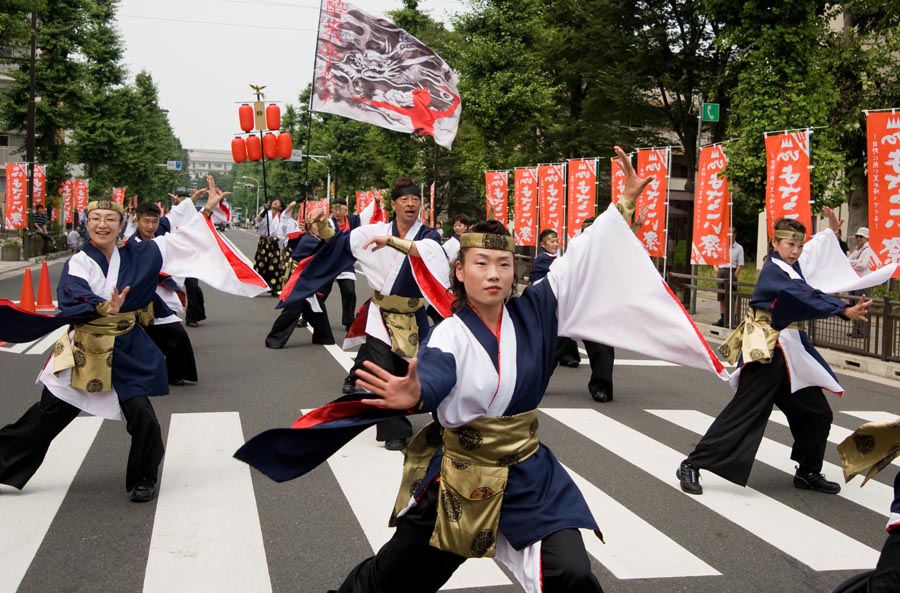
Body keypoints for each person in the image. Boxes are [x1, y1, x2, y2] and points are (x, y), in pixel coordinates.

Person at [235, 145, 733, 593]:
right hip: (461, 478)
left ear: (517, 268)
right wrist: (418, 393)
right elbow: (436, 371)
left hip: (528, 470)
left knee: (573, 575)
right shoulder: (450, 332)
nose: (494, 274)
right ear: (460, 271)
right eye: (481, 264)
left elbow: (583, 256)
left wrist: (622, 204)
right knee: (392, 582)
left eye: (503, 263)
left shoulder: (537, 310)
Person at [0, 183, 267, 503]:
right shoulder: (79, 263)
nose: (102, 224)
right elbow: (72, 295)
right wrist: (101, 307)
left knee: (142, 415)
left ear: (120, 223)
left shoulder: (142, 253)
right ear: (87, 223)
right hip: (86, 346)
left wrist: (206, 210)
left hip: (126, 346)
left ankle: (144, 476)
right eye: (96, 218)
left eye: (109, 219)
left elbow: (183, 240)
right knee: (46, 416)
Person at [677, 211, 874, 496]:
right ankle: (692, 464)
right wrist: (841, 309)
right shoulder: (774, 271)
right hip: (766, 350)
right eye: (789, 245)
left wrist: (833, 234)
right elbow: (802, 294)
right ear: (774, 243)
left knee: (817, 413)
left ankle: (807, 471)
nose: (795, 251)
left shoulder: (793, 265)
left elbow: (817, 252)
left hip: (790, 354)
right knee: (746, 411)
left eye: (798, 245)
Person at [281, 177, 451, 451]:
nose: (410, 204)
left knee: (422, 372)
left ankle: (445, 425)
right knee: (382, 371)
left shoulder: (428, 235)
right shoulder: (372, 231)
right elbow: (339, 242)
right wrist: (322, 225)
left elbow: (430, 253)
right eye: (404, 200)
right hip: (380, 315)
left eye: (415, 200)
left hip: (414, 316)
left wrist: (392, 242)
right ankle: (394, 430)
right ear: (394, 204)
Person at [128, 201, 199, 386]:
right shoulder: (130, 245)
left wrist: (206, 208)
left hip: (161, 294)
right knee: (169, 335)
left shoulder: (161, 237)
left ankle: (170, 373)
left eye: (154, 221)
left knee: (169, 337)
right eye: (146, 221)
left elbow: (186, 226)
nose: (150, 226)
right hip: (140, 298)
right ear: (137, 220)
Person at [265, 221, 336, 349]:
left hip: (309, 280)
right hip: (301, 279)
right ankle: (275, 338)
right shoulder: (308, 240)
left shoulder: (310, 238)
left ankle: (323, 336)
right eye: (317, 225)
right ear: (310, 227)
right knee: (294, 308)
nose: (321, 228)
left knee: (315, 306)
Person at [531, 228, 580, 369]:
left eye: (557, 240)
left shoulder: (554, 258)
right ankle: (560, 356)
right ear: (543, 244)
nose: (555, 243)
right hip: (544, 295)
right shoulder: (543, 259)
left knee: (563, 323)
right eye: (551, 241)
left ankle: (568, 356)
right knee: (559, 325)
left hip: (553, 294)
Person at [328, 198, 361, 331]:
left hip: (345, 262)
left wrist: (375, 202)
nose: (337, 212)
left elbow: (369, 216)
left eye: (340, 209)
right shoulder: (329, 222)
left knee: (349, 291)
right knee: (320, 292)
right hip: (329, 262)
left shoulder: (353, 221)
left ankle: (349, 320)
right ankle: (307, 316)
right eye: (335, 209)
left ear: (345, 210)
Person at [713, 226, 744, 327]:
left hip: (731, 271)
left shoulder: (739, 248)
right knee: (721, 296)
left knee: (732, 297)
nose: (730, 235)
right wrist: (715, 267)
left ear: (735, 235)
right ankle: (723, 318)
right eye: (728, 233)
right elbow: (715, 257)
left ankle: (732, 318)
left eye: (732, 233)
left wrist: (735, 275)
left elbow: (741, 264)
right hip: (721, 271)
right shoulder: (721, 245)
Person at [847, 226, 873, 339]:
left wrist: (851, 261)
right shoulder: (857, 249)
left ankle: (862, 331)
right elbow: (849, 261)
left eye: (860, 237)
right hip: (855, 281)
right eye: (857, 236)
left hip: (863, 282)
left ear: (866, 238)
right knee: (854, 305)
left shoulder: (868, 250)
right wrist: (853, 261)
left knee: (862, 306)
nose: (858, 239)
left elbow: (863, 265)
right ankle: (856, 330)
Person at [255, 199, 285, 296]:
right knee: (260, 264)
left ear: (280, 207)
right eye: (274, 201)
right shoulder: (265, 213)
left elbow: (282, 232)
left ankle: (274, 288)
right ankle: (257, 287)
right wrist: (264, 210)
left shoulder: (281, 217)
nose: (274, 202)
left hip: (273, 243)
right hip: (263, 242)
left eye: (277, 202)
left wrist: (275, 238)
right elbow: (258, 221)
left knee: (274, 264)